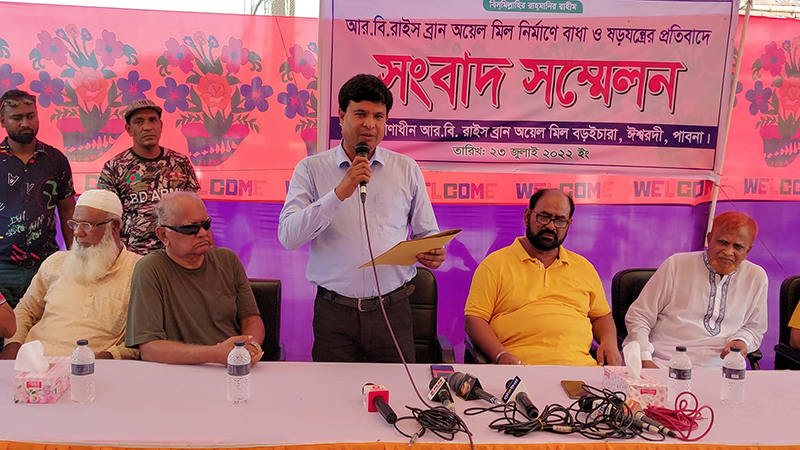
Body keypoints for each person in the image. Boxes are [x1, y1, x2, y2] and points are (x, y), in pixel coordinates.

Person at [278, 74, 445, 363]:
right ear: (341, 115)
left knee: (397, 390)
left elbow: (426, 233)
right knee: (333, 391)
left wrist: (433, 251)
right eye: (360, 114)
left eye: (378, 116)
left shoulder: (406, 169)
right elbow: (288, 236)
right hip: (335, 315)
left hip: (392, 311)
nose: (370, 124)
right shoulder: (311, 169)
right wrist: (338, 193)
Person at [464, 189, 622, 366]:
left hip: (581, 371)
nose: (551, 226)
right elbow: (474, 319)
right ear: (527, 216)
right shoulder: (495, 264)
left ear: (569, 224)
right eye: (544, 217)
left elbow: (601, 316)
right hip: (519, 370)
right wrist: (500, 354)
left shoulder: (584, 268)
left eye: (560, 220)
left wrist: (609, 342)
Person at [125, 191, 264, 365]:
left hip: (231, 366)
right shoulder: (150, 269)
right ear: (163, 235)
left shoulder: (228, 260)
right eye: (190, 228)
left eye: (206, 224)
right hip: (178, 371)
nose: (203, 233)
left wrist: (250, 347)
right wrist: (214, 355)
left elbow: (251, 319)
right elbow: (150, 349)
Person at [0, 190, 140, 359]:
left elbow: (141, 340)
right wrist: (13, 345)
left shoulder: (139, 271)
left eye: (87, 225)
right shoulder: (56, 262)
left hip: (93, 369)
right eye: (75, 224)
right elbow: (26, 310)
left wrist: (106, 359)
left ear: (115, 226)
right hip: (34, 363)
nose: (77, 233)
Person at [624, 211, 768, 368]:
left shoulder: (756, 277)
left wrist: (741, 341)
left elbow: (754, 328)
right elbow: (640, 316)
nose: (728, 252)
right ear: (709, 239)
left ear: (748, 250)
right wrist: (644, 358)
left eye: (738, 246)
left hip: (722, 369)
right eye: (722, 242)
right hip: (663, 363)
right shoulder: (677, 265)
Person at [97, 99, 203, 256]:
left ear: (161, 126)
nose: (147, 127)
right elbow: (106, 218)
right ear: (129, 130)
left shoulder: (180, 162)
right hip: (133, 255)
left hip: (177, 253)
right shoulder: (114, 167)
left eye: (152, 120)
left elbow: (195, 212)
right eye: (139, 122)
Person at [0, 90, 75, 308]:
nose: (25, 123)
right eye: (16, 118)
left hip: (46, 265)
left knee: (46, 326)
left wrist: (74, 256)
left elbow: (68, 209)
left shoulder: (56, 160)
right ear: (2, 121)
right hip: (3, 268)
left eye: (30, 116)